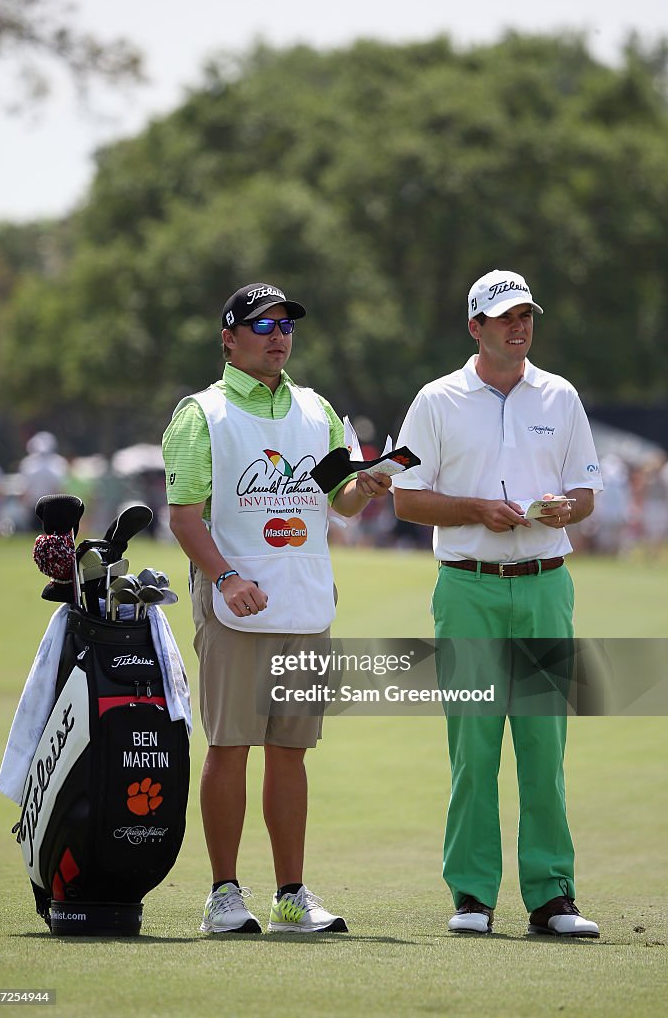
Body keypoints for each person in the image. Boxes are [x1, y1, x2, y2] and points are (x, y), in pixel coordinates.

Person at [162, 282, 390, 935]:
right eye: (261, 325)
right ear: (229, 339)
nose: (277, 335)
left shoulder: (315, 411)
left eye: (285, 324)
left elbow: (336, 502)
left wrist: (367, 488)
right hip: (235, 600)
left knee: (289, 750)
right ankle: (223, 896)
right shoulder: (200, 415)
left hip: (303, 600)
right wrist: (227, 578)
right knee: (230, 744)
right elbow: (183, 518)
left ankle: (291, 895)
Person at [391, 269, 603, 938]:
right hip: (467, 586)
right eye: (503, 316)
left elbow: (586, 493)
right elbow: (405, 496)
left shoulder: (559, 396)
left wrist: (567, 506)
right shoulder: (436, 399)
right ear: (474, 327)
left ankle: (551, 898)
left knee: (544, 745)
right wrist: (476, 508)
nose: (518, 325)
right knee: (472, 747)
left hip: (545, 582)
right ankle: (472, 897)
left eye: (525, 315)